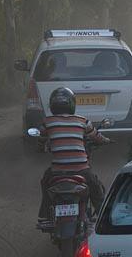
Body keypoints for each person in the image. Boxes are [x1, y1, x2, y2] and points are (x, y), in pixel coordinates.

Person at [37, 87, 110, 221]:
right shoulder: (82, 121)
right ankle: (104, 219)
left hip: (57, 172)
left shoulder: (47, 122)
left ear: (52, 104)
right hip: (81, 170)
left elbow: (41, 140)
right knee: (96, 189)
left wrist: (41, 148)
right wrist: (106, 141)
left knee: (45, 184)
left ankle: (45, 214)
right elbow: (97, 137)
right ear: (72, 104)